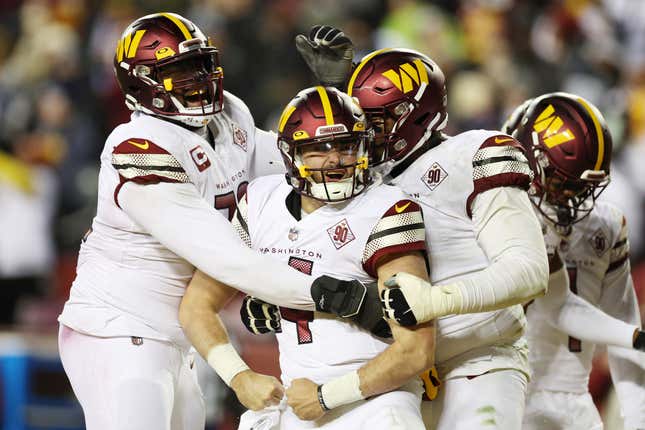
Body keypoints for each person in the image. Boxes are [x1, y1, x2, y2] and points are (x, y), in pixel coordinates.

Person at [56, 14, 371, 430]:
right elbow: (226, 256)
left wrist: (339, 97)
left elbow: (303, 167)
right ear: (141, 81)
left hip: (179, 337)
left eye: (202, 64)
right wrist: (334, 296)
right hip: (120, 326)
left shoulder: (229, 118)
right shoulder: (137, 147)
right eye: (179, 71)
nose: (199, 79)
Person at [243, 28, 549, 429]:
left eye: (380, 119)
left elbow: (528, 271)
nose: (368, 134)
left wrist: (438, 301)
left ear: (418, 112)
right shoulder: (360, 179)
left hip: (476, 360)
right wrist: (287, 300)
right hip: (393, 373)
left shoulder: (471, 155)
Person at [183, 86, 435, 429]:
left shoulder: (388, 208)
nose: (335, 160)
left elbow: (417, 349)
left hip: (376, 400)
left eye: (346, 146)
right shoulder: (259, 202)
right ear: (291, 154)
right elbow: (196, 306)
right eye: (318, 150)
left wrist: (327, 396)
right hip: (298, 400)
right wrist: (239, 377)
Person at [501, 92, 645, 430]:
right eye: (559, 184)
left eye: (580, 190)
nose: (570, 202)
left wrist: (636, 420)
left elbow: (603, 317)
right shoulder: (491, 212)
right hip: (500, 390)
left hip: (572, 400)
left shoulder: (605, 225)